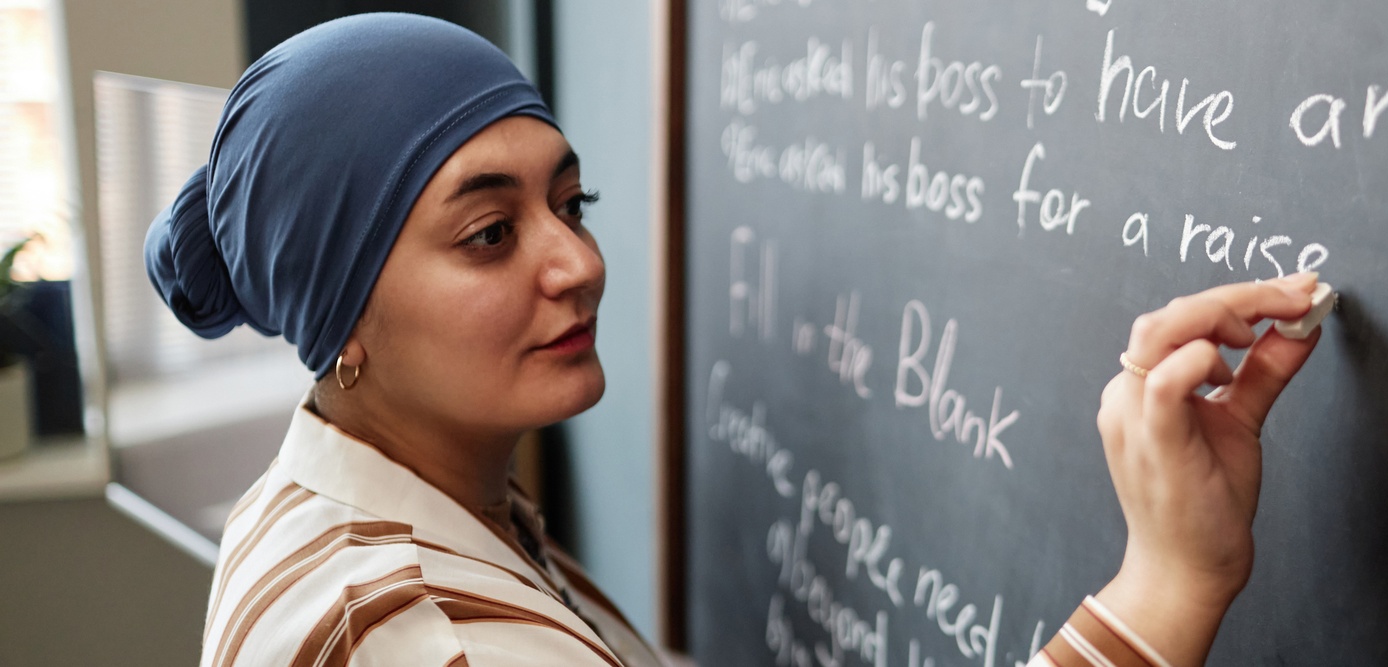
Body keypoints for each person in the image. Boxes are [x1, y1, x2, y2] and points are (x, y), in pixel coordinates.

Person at [148, 14, 1323, 667]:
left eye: (570, 204)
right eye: (490, 232)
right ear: (339, 311)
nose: (578, 262)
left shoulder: (375, 505)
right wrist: (1169, 582)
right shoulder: (421, 632)